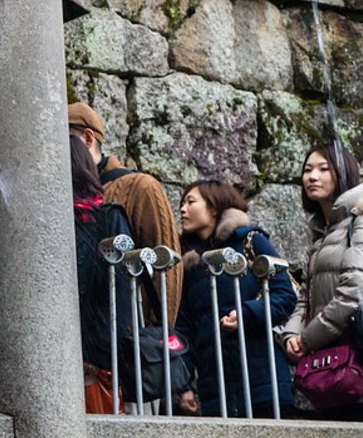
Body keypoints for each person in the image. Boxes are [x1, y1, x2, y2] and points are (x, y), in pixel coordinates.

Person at [175, 180, 296, 418]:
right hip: (215, 390)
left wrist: (246, 314)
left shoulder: (251, 241)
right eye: (182, 203)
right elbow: (184, 329)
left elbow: (284, 295)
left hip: (263, 384)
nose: (182, 209)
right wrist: (184, 384)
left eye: (190, 202)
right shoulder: (191, 264)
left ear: (214, 207)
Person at [68, 102, 182, 326]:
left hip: (132, 335)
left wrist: (156, 333)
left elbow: (167, 267)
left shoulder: (140, 187)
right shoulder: (64, 195)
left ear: (88, 139)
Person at [279, 142, 363, 420]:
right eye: (307, 170)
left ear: (343, 172)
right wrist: (292, 336)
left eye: (323, 169)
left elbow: (353, 292)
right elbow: (306, 296)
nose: (312, 177)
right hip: (333, 366)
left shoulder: (359, 220)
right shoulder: (321, 233)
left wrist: (307, 339)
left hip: (354, 356)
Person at [67, 138, 132, 414]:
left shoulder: (108, 218)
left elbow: (119, 293)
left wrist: (95, 354)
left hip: (97, 356)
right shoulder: (48, 222)